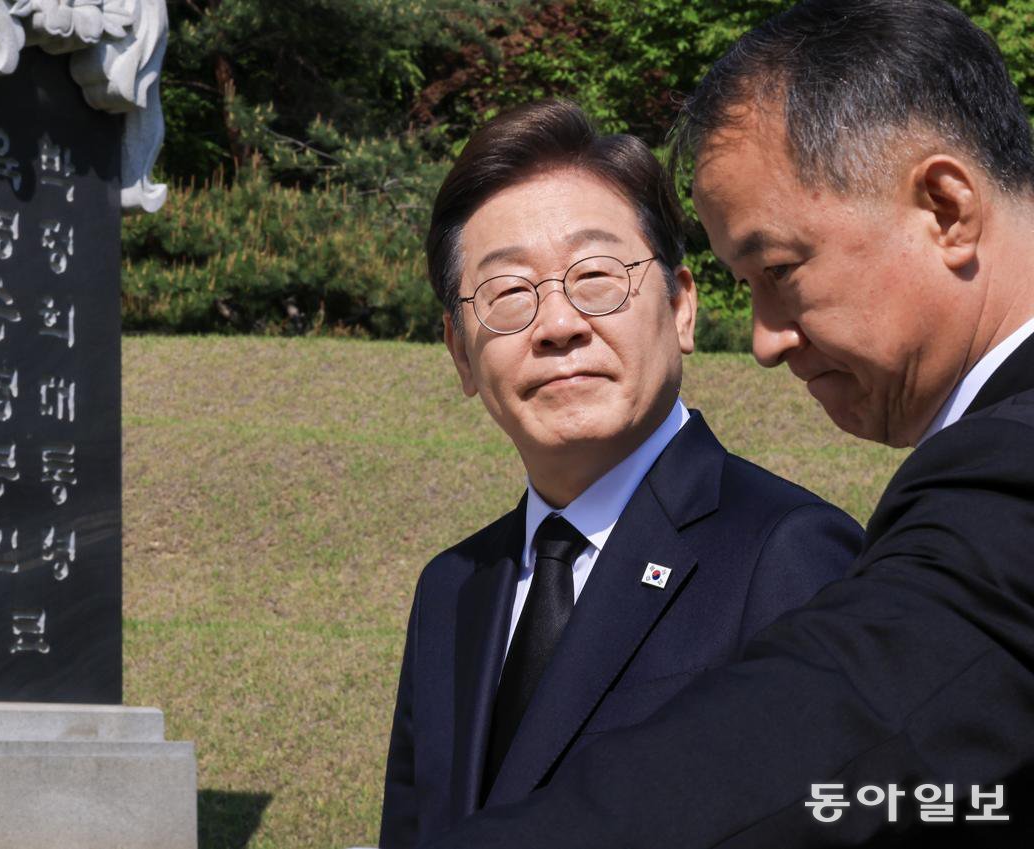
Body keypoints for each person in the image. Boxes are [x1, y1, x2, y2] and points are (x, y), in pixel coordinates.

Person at [419, 1, 1034, 847]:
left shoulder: (997, 477)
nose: (764, 342)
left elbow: (832, 748)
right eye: (508, 293)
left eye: (779, 268)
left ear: (945, 208)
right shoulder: (453, 584)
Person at [378, 99, 863, 848]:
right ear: (460, 353)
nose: (558, 325)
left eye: (596, 276)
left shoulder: (790, 554)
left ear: (681, 307)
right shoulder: (452, 587)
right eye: (508, 294)